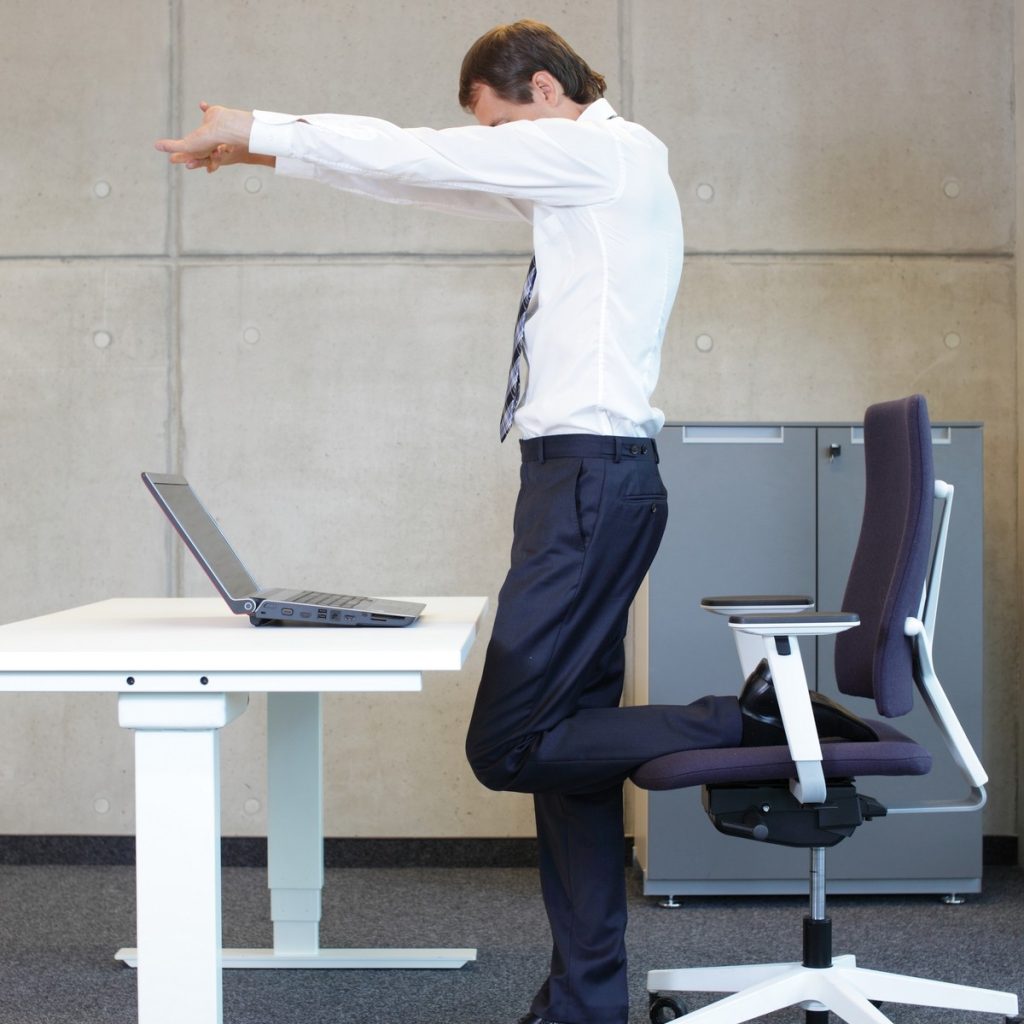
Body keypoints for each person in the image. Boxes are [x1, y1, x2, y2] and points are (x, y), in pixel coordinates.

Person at [155, 20, 865, 1024]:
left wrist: (259, 121)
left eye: (500, 127)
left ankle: (744, 718)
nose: (493, 148)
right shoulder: (586, 171)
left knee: (510, 746)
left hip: (587, 484)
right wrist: (270, 152)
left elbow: (426, 154)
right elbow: (425, 180)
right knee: (566, 750)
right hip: (581, 484)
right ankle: (584, 1002)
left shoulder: (603, 149)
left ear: (540, 88)